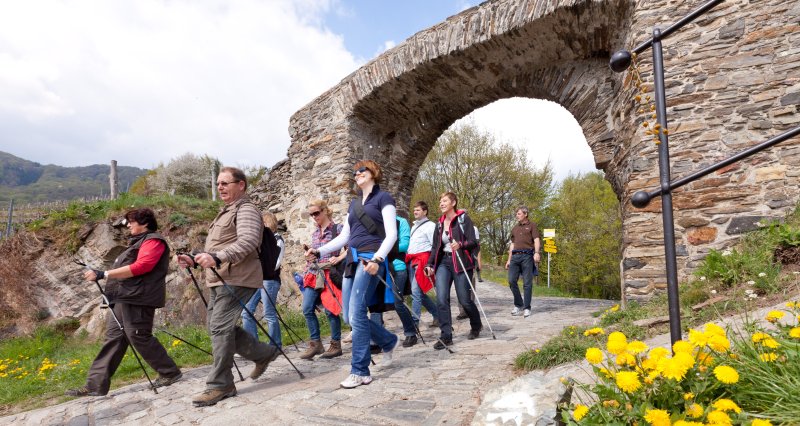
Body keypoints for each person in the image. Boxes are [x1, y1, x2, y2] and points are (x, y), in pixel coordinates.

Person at [176, 166, 278, 407]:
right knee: (217, 326)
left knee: (220, 327)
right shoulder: (226, 212)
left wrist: (217, 257)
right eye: (218, 183)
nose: (220, 187)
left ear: (241, 185)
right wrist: (195, 258)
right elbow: (218, 247)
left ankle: (220, 384)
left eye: (225, 183)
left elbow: (248, 241)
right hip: (221, 278)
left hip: (238, 277)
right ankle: (264, 353)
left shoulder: (246, 209)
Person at [66, 208, 182, 397]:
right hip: (125, 297)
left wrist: (104, 274)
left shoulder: (153, 241)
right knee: (114, 338)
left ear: (144, 223)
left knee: (138, 335)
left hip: (139, 298)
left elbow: (143, 266)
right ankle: (95, 385)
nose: (128, 225)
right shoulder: (136, 243)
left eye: (131, 221)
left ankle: (169, 372)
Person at [307, 160, 399, 389]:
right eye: (355, 172)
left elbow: (391, 235)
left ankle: (360, 371)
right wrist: (319, 250)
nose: (357, 174)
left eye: (362, 170)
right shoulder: (354, 204)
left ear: (373, 173)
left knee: (357, 312)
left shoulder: (384, 198)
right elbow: (344, 237)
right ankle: (388, 340)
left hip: (370, 260)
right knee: (349, 316)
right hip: (352, 260)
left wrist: (378, 259)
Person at [424, 192, 482, 350]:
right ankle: (446, 335)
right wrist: (430, 264)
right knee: (441, 299)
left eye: (445, 201)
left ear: (453, 202)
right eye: (440, 201)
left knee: (464, 300)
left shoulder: (463, 219)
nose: (441, 204)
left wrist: (461, 245)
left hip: (461, 262)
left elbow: (473, 242)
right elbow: (435, 247)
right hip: (444, 262)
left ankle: (476, 325)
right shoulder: (439, 223)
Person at [299, 199, 345, 360]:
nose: (314, 217)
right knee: (307, 308)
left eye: (316, 213)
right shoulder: (315, 234)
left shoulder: (338, 229)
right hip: (314, 273)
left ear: (325, 211)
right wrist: (309, 257)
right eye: (311, 214)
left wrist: (338, 258)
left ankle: (336, 344)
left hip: (330, 272)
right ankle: (316, 344)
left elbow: (350, 248)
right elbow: (314, 256)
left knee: (330, 310)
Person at [368, 215, 419, 348]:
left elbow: (405, 245)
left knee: (398, 302)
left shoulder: (401, 221)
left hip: (397, 267)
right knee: (375, 304)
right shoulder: (375, 222)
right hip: (378, 267)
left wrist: (384, 249)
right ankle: (376, 340)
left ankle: (411, 333)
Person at [241, 211, 283, 348]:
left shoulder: (278, 239)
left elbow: (276, 263)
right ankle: (253, 346)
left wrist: (262, 269)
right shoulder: (260, 242)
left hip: (270, 280)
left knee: (269, 313)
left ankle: (275, 345)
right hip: (257, 280)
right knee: (246, 311)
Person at [406, 201, 440, 330]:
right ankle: (437, 315)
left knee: (415, 292)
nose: (415, 212)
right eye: (414, 210)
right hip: (412, 260)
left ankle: (414, 323)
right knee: (417, 293)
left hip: (422, 261)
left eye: (418, 210)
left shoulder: (431, 226)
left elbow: (435, 246)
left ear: (425, 212)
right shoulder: (414, 226)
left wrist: (430, 264)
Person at [505, 206, 541, 318]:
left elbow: (536, 240)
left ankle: (527, 308)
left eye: (519, 213)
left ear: (525, 214)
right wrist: (509, 259)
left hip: (527, 256)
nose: (517, 215)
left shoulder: (532, 225)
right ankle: (519, 304)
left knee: (527, 283)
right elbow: (512, 244)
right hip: (515, 257)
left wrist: (537, 252)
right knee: (511, 281)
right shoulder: (515, 228)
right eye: (516, 214)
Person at [457, 224, 482, 320]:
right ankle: (462, 311)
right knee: (459, 286)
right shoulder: (454, 227)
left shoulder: (473, 228)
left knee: (470, 285)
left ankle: (470, 309)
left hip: (470, 260)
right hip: (458, 260)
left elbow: (477, 247)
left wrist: (479, 261)